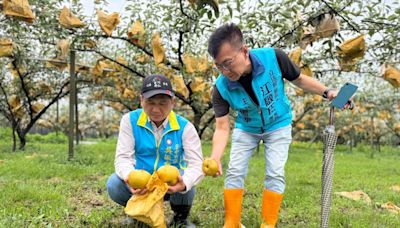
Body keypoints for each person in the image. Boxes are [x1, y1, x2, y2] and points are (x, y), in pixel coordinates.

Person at [207, 23, 351, 228]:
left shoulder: (274, 57)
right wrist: (215, 157)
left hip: (278, 124)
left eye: (228, 62)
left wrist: (327, 92)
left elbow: (299, 80)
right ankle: (231, 223)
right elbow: (222, 127)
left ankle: (268, 224)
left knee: (275, 172)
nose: (224, 70)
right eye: (219, 65)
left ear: (244, 51)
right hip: (247, 128)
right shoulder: (221, 87)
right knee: (235, 171)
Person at [106, 74, 203, 227]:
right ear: (141, 100)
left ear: (173, 102)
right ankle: (139, 213)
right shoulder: (130, 121)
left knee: (186, 179)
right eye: (150, 102)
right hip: (142, 184)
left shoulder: (185, 127)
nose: (156, 109)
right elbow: (123, 158)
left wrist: (183, 183)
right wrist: (128, 177)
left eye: (163, 103)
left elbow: (197, 164)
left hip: (170, 186)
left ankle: (181, 218)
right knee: (114, 184)